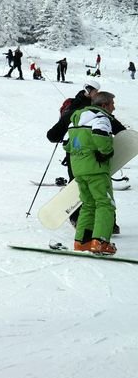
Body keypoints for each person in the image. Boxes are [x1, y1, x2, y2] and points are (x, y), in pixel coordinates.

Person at [46, 80, 125, 231]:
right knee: (102, 192)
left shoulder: (73, 111)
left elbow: (52, 136)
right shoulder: (100, 115)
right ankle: (107, 225)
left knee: (81, 189)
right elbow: (122, 132)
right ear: (89, 91)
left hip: (75, 159)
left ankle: (80, 223)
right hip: (97, 159)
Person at [65, 91, 118, 255]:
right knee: (105, 204)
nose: (114, 108)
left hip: (78, 169)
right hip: (96, 169)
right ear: (104, 105)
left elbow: (66, 143)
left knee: (88, 204)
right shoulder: (101, 118)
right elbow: (101, 135)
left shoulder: (76, 118)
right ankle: (101, 242)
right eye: (112, 104)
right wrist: (105, 152)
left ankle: (82, 241)